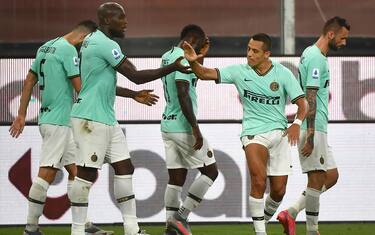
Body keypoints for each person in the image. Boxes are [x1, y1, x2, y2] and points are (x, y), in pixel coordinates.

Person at [68, 2, 191, 235]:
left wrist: (133, 95)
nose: (126, 22)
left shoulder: (90, 42)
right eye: (120, 18)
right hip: (90, 119)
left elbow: (100, 83)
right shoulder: (105, 44)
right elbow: (135, 75)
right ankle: (77, 229)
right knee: (86, 173)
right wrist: (172, 67)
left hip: (104, 118)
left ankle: (132, 229)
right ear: (106, 21)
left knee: (125, 167)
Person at [183, 33, 308, 235]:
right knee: (258, 180)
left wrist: (297, 123)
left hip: (279, 134)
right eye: (248, 48)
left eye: (255, 51)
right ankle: (260, 232)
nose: (249, 54)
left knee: (278, 191)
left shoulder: (283, 73)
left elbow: (303, 103)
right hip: (252, 133)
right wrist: (194, 62)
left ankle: (261, 222)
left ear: (267, 54)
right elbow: (204, 74)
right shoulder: (239, 71)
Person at [8, 20, 122, 235]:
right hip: (59, 122)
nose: (84, 50)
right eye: (86, 44)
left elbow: (29, 80)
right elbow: (82, 88)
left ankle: (85, 225)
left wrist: (22, 114)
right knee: (47, 172)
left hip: (55, 119)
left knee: (76, 171)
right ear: (82, 38)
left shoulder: (46, 47)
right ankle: (30, 228)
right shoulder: (69, 50)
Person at [277, 16, 350, 235]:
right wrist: (309, 135)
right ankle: (312, 230)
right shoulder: (316, 58)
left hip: (318, 127)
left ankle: (291, 212)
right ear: (331, 34)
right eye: (343, 38)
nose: (344, 43)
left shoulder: (311, 53)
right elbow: (311, 97)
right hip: (313, 127)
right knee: (316, 178)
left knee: (331, 175)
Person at [160, 25, 218, 235]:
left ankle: (170, 228)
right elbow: (183, 92)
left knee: (176, 178)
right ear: (193, 40)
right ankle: (181, 217)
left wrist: (202, 54)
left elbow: (193, 76)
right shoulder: (184, 58)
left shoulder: (168, 55)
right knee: (211, 171)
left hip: (167, 124)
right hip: (183, 127)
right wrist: (195, 128)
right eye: (200, 44)